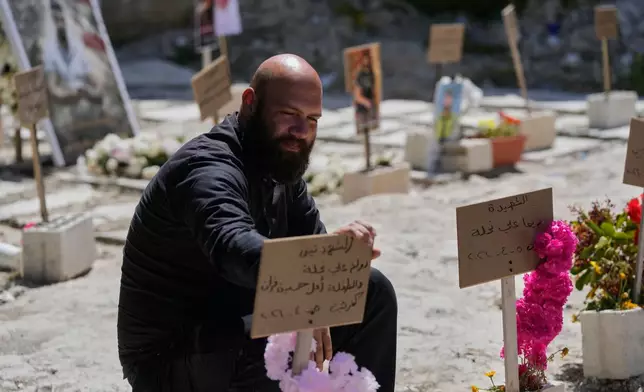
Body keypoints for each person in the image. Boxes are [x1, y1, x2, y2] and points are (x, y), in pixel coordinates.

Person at [117, 54, 398, 392]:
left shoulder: (279, 162)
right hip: (171, 358)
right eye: (289, 114)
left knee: (371, 290)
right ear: (250, 103)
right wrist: (312, 272)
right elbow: (234, 248)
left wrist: (330, 267)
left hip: (237, 325)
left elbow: (310, 238)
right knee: (273, 343)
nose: (301, 131)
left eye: (312, 119)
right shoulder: (207, 169)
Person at [41, 0, 101, 105]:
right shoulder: (49, 49)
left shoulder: (79, 42)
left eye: (61, 18)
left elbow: (96, 80)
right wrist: (68, 94)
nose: (59, 22)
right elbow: (53, 88)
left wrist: (87, 90)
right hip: (70, 104)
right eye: (56, 19)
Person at [352, 50, 377, 132]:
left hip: (370, 105)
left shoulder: (371, 73)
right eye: (365, 60)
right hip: (362, 107)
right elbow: (357, 95)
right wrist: (366, 102)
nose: (367, 61)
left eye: (368, 59)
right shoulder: (360, 74)